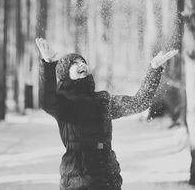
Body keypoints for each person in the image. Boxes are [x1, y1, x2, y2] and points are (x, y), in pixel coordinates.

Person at [35, 38, 178, 190]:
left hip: (108, 178)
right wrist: (48, 63)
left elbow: (139, 102)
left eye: (82, 61)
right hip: (78, 180)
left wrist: (154, 69)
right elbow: (47, 100)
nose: (81, 64)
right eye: (74, 63)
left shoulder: (103, 101)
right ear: (65, 73)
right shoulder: (63, 103)